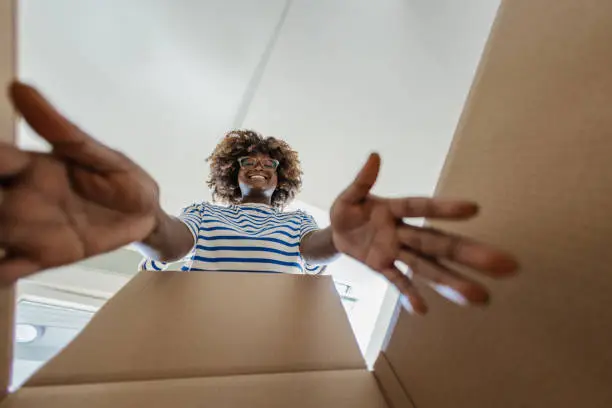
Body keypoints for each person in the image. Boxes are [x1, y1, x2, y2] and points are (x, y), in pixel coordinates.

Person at [0, 83, 518, 314]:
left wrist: (340, 236)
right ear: (232, 173)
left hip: (269, 334)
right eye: (249, 161)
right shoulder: (202, 213)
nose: (259, 165)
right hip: (189, 328)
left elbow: (313, 250)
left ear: (281, 178)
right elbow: (173, 245)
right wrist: (143, 222)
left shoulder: (296, 225)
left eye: (269, 164)